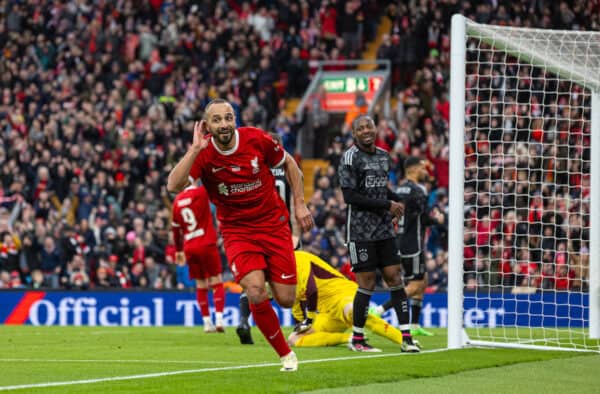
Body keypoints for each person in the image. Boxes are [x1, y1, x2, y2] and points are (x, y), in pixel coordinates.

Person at [167, 98, 314, 372]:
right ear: (207, 125)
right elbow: (173, 185)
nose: (224, 124)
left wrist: (299, 204)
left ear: (234, 119)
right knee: (255, 291)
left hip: (273, 225)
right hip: (238, 232)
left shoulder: (256, 139)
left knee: (285, 299)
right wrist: (193, 150)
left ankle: (266, 284)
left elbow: (290, 164)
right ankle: (286, 355)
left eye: (228, 117)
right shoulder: (203, 153)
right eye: (217, 119)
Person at [338, 115, 419, 353]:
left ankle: (406, 337)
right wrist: (387, 205)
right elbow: (350, 197)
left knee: (395, 278)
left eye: (369, 126)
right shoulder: (349, 157)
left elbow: (379, 187)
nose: (366, 131)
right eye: (360, 128)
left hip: (383, 229)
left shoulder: (384, 157)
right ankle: (358, 339)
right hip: (360, 231)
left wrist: (395, 200)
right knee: (367, 283)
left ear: (375, 129)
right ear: (354, 133)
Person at [236, 132, 300, 346]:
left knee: (254, 283)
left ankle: (244, 320)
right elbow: (292, 204)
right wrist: (296, 233)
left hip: (255, 230)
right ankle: (302, 322)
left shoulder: (255, 168)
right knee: (285, 283)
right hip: (281, 230)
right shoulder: (286, 170)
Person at [371, 157, 445, 337]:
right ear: (413, 170)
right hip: (413, 244)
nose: (425, 172)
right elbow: (423, 218)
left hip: (400, 240)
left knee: (423, 279)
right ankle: (379, 310)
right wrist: (438, 220)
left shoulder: (399, 189)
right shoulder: (418, 191)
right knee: (416, 284)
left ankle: (414, 324)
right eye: (423, 168)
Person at [287, 250, 407, 349]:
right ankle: (349, 338)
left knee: (352, 312)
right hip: (328, 313)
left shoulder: (298, 258)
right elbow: (298, 309)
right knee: (294, 339)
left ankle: (403, 339)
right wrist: (301, 327)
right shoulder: (287, 280)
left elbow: (312, 290)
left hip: (343, 294)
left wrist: (309, 319)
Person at [171, 184, 225, 333]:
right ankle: (219, 319)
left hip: (189, 245)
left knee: (201, 284)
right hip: (206, 241)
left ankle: (207, 322)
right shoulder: (201, 192)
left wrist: (179, 250)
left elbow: (176, 230)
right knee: (216, 280)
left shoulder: (177, 201)